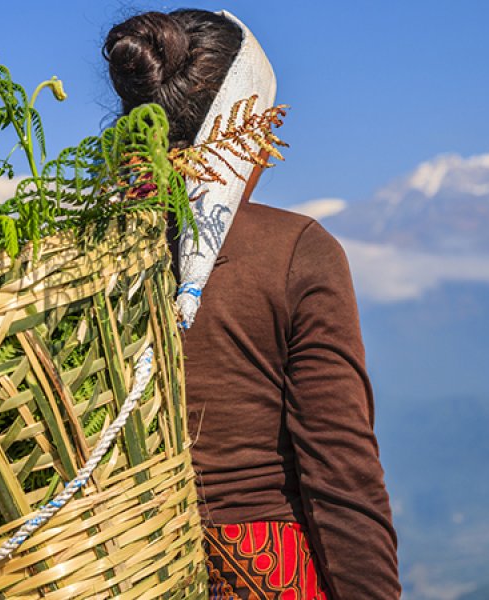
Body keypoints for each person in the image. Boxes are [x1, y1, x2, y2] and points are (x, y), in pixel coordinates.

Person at [104, 8, 401, 598]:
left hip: (126, 569)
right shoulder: (295, 252)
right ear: (243, 131)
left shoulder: (83, 258)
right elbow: (341, 474)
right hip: (261, 572)